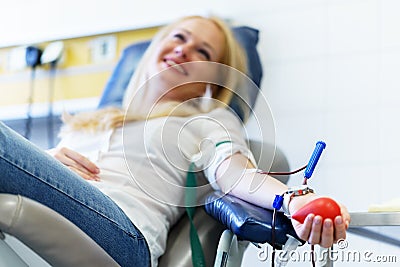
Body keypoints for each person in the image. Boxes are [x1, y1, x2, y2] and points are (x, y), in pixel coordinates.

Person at [0, 15, 350, 267]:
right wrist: (45, 160)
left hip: (122, 232)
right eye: (179, 37)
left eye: (203, 51)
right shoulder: (91, 119)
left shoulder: (208, 118)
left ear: (216, 77)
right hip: (58, 207)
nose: (184, 51)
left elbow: (233, 173)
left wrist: (294, 199)